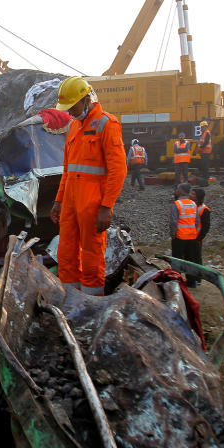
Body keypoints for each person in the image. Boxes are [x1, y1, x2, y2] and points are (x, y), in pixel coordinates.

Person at [50, 76, 126, 295]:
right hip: (71, 203)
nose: (70, 112)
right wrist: (58, 201)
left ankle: (92, 301)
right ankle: (70, 299)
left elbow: (118, 170)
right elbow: (68, 170)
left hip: (93, 205)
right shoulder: (73, 127)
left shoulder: (106, 124)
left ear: (85, 99)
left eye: (72, 106)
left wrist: (106, 207)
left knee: (92, 255)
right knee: (65, 252)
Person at [170, 182, 198, 267]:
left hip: (180, 237)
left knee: (177, 260)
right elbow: (196, 221)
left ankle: (176, 278)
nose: (176, 191)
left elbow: (174, 222)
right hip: (192, 237)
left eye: (178, 189)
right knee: (190, 260)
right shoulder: (193, 204)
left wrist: (173, 234)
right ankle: (191, 280)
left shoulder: (177, 204)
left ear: (181, 191)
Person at [188, 187, 210, 287]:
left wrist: (199, 238)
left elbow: (206, 227)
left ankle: (198, 279)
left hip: (196, 239)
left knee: (196, 259)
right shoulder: (191, 206)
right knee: (189, 258)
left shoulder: (204, 210)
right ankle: (191, 278)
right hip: (188, 237)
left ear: (198, 197)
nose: (190, 195)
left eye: (193, 194)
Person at [196, 121, 212, 186]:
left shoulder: (207, 133)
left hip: (206, 151)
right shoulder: (203, 133)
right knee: (204, 165)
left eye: (202, 127)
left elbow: (206, 142)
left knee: (205, 165)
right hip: (203, 151)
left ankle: (206, 177)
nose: (201, 128)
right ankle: (205, 176)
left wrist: (201, 147)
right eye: (201, 127)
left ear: (205, 127)